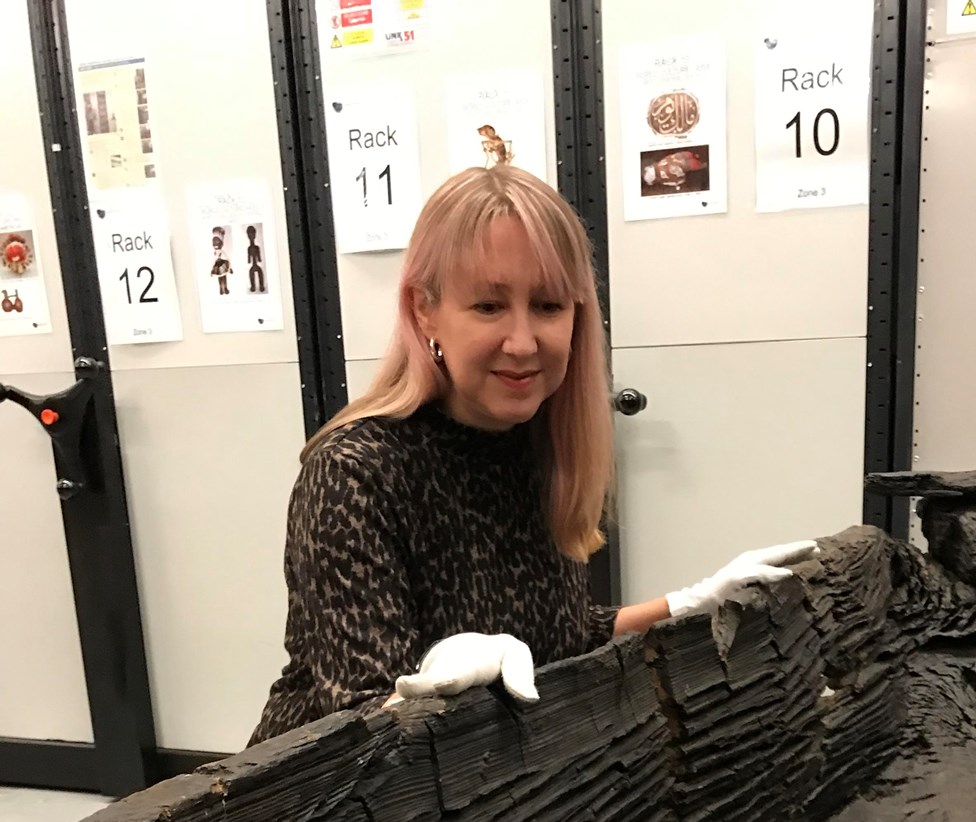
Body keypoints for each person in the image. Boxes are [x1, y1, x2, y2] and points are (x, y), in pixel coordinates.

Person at [251, 165, 810, 745]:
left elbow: (561, 641)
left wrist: (691, 604)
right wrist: (441, 673)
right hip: (324, 813)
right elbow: (365, 730)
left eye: (547, 306)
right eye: (489, 306)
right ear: (424, 310)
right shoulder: (357, 472)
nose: (522, 342)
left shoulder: (542, 444)